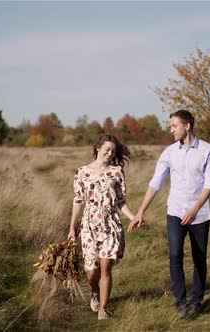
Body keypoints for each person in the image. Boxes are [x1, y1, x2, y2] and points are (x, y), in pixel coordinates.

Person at [129, 110, 210, 318]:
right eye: (170, 126)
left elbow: (209, 184)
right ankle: (180, 302)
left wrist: (195, 209)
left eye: (174, 126)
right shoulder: (169, 152)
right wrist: (141, 211)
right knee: (175, 255)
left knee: (199, 258)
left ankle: (196, 301)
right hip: (176, 211)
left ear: (187, 125)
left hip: (200, 214)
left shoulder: (208, 150)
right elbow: (156, 182)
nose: (171, 130)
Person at [67, 133, 135, 320]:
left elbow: (121, 201)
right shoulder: (82, 172)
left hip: (110, 225)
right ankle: (95, 291)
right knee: (91, 271)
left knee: (106, 268)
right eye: (107, 150)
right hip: (89, 226)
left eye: (113, 151)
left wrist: (133, 217)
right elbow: (78, 201)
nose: (110, 153)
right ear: (98, 148)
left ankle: (103, 309)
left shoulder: (117, 172)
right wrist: (72, 228)